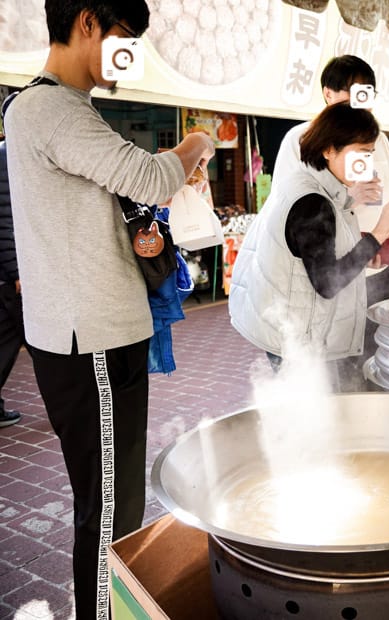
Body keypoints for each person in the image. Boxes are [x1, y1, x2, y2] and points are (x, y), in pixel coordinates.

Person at [2, 2, 216, 617]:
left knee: (112, 503)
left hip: (92, 331)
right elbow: (150, 178)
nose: (131, 56)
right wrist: (198, 141)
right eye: (126, 39)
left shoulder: (63, 110)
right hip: (88, 340)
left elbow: (122, 199)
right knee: (109, 513)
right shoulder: (49, 107)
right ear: (89, 22)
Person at [228, 103, 389, 390]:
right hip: (294, 337)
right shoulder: (312, 201)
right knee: (313, 419)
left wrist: (363, 249)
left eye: (370, 153)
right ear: (329, 150)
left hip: (291, 327)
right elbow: (327, 282)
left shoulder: (312, 184)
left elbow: (321, 251)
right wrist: (378, 234)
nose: (366, 162)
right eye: (360, 152)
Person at [271, 55, 389, 362]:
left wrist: (388, 241)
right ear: (328, 94)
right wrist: (348, 195)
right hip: (332, 277)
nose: (362, 102)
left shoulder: (378, 139)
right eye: (355, 92)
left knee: (379, 362)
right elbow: (290, 210)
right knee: (336, 369)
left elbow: (386, 194)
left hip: (379, 268)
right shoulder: (300, 139)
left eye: (368, 94)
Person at [0, 141, 24, 428]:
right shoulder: (8, 157)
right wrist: (18, 271)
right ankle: (72, 408)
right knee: (41, 345)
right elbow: (5, 222)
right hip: (10, 278)